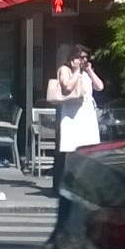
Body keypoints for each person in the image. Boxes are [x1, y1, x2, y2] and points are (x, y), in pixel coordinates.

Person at [53, 44, 104, 185]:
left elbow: (99, 86)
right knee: (71, 147)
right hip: (71, 113)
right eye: (80, 57)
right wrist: (76, 71)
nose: (82, 60)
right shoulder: (65, 69)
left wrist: (89, 71)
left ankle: (85, 180)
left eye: (85, 58)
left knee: (88, 146)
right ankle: (70, 181)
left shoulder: (86, 71)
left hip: (86, 111)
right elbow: (67, 87)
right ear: (72, 57)